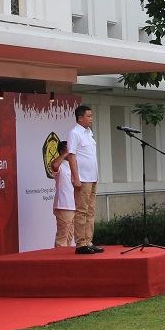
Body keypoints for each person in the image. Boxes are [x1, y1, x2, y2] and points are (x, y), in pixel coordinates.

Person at [68, 104, 104, 254]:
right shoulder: (75, 133)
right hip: (82, 178)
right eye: (88, 116)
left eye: (91, 116)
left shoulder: (89, 133)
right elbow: (71, 155)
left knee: (90, 211)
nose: (91, 119)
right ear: (80, 118)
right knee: (82, 211)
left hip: (92, 177)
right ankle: (80, 243)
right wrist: (76, 178)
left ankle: (89, 241)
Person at [50, 141, 75, 248]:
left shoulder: (73, 166)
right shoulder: (61, 166)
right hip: (64, 205)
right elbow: (53, 165)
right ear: (61, 152)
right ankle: (58, 260)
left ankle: (67, 260)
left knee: (70, 237)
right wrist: (65, 154)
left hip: (75, 205)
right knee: (62, 237)